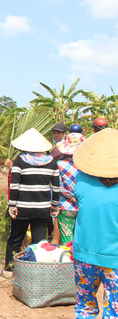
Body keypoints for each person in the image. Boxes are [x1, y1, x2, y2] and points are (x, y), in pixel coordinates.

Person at [0, 128, 60, 278]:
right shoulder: (51, 162)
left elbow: (15, 185)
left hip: (22, 208)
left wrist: (12, 205)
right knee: (39, 241)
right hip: (42, 208)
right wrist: (55, 205)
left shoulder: (20, 160)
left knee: (15, 238)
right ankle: (36, 271)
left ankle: (9, 270)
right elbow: (56, 187)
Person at [72, 128, 118, 318]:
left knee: (85, 306)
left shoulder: (81, 179)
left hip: (85, 254)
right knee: (114, 310)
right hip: (114, 257)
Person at [50, 132, 85, 245]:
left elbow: (58, 186)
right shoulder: (86, 165)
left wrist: (71, 196)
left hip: (66, 206)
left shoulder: (60, 165)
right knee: (81, 239)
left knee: (67, 240)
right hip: (84, 206)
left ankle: (69, 261)